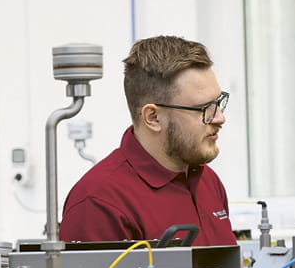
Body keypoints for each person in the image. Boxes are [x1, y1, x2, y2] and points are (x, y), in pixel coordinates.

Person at [60, 35, 235, 246]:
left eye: (218, 103)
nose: (219, 118)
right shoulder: (99, 203)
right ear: (153, 118)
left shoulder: (207, 181)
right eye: (203, 109)